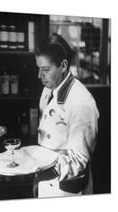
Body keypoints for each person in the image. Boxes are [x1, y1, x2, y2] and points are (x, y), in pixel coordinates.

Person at [34, 33, 99, 197]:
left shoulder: (82, 102)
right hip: (45, 182)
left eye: (45, 70)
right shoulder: (49, 88)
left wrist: (36, 167)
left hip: (67, 190)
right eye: (38, 69)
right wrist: (37, 178)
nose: (39, 76)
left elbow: (78, 161)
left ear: (63, 66)